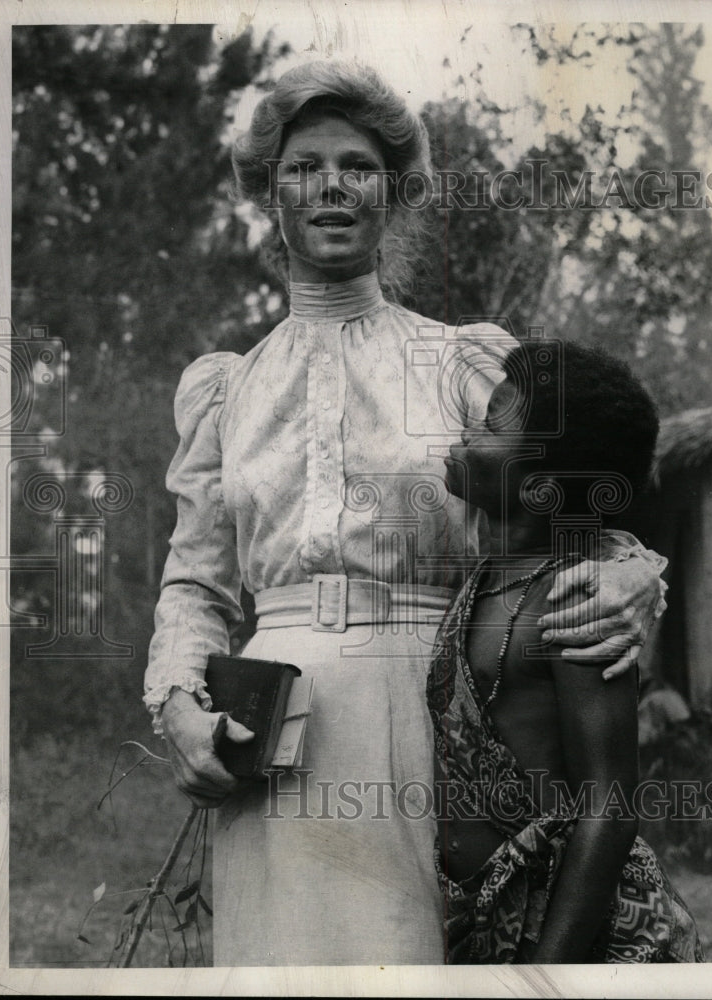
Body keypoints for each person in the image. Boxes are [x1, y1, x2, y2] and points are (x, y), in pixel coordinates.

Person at [144, 60, 668, 966]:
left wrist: (632, 571)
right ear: (271, 194)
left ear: (395, 191)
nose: (332, 186)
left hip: (430, 710)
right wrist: (180, 706)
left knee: (421, 958)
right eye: (304, 167)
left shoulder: (464, 365)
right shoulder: (225, 389)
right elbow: (194, 584)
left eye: (357, 164)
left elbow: (572, 487)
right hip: (267, 729)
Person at [430, 339, 703, 963]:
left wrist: (547, 974)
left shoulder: (577, 600)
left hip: (572, 935)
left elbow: (610, 806)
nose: (465, 433)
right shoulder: (485, 580)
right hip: (488, 917)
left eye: (488, 427)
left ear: (540, 491)